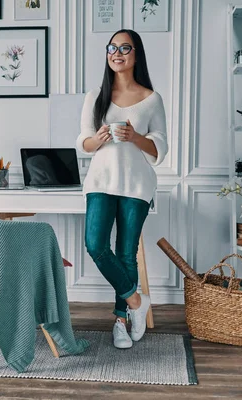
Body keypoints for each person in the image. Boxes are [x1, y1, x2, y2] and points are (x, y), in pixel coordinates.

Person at [75, 29, 168, 349]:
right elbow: (83, 143)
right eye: (112, 48)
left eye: (124, 48)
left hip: (137, 183)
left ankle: (120, 321)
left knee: (126, 252)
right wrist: (98, 138)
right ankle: (137, 303)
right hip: (100, 181)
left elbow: (159, 150)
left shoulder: (151, 98)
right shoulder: (95, 95)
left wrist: (135, 137)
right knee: (95, 244)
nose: (117, 53)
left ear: (136, 55)